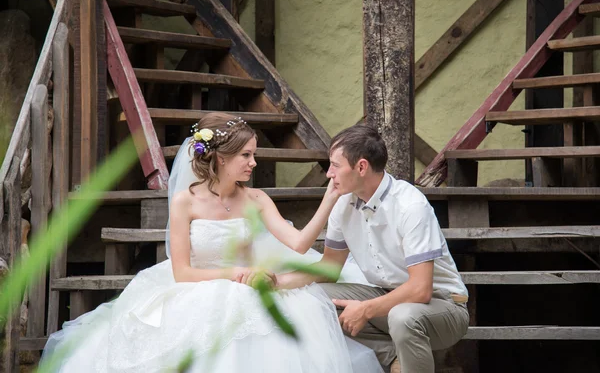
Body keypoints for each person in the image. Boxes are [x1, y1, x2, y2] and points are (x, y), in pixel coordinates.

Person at [41, 112, 384, 373]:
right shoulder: (184, 203)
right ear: (221, 158)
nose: (253, 162)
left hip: (249, 283)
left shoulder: (257, 199)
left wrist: (330, 197)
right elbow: (183, 273)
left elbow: (298, 244)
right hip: (199, 285)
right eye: (246, 156)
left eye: (254, 155)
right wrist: (235, 273)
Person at [277, 124, 470, 373]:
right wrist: (279, 282)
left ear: (361, 167)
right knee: (311, 299)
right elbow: (329, 268)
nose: (329, 174)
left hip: (443, 307)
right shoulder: (343, 204)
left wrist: (366, 309)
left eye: (335, 165)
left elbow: (421, 290)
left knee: (403, 317)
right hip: (386, 298)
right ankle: (393, 358)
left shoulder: (410, 205)